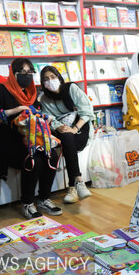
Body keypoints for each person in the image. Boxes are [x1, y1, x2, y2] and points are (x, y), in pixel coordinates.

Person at [0, 58, 62, 219]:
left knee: (52, 155)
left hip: (32, 140)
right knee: (34, 160)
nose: (27, 76)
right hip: (7, 142)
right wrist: (13, 111)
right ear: (13, 74)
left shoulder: (31, 93)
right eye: (23, 73)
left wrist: (43, 118)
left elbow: (36, 115)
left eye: (30, 73)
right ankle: (27, 202)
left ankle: (43, 198)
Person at [39, 65, 94, 203]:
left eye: (53, 77)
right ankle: (77, 182)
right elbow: (48, 117)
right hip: (62, 131)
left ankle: (72, 187)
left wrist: (75, 128)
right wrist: (59, 127)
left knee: (69, 138)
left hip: (81, 127)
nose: (50, 81)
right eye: (46, 79)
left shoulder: (71, 89)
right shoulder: (44, 99)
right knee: (67, 137)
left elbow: (87, 111)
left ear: (59, 77)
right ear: (42, 83)